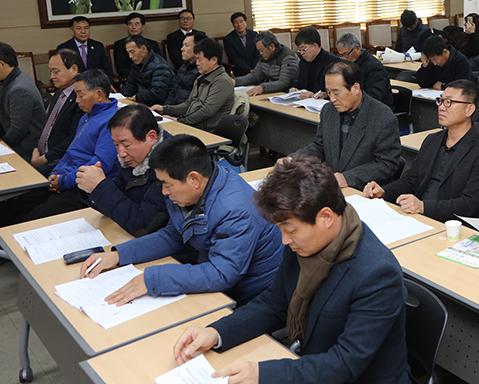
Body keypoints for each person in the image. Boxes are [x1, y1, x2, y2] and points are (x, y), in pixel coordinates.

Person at [170, 154, 410, 384]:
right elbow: (274, 303)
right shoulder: (305, 242)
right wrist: (216, 332)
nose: (284, 240)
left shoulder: (377, 274)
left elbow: (345, 363)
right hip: (315, 367)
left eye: (290, 230)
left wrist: (264, 375)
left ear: (326, 217)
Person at [80, 135, 282, 305]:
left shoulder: (236, 211)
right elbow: (172, 235)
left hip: (252, 294)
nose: (163, 191)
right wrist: (119, 255)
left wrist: (153, 279)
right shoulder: (190, 190)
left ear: (194, 179)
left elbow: (222, 275)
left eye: (167, 184)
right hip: (218, 273)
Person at [0, 69, 120, 270]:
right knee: (16, 199)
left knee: (33, 218)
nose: (77, 101)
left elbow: (98, 165)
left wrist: (63, 180)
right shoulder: (86, 116)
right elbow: (70, 152)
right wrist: (56, 173)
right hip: (65, 177)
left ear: (98, 94)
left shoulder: (113, 121)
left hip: (82, 188)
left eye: (80, 95)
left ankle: (1, 251)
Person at [364, 80, 479, 219]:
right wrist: (383, 191)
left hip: (451, 225)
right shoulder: (432, 140)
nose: (441, 107)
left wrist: (423, 207)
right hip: (419, 216)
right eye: (440, 101)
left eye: (449, 102)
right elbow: (410, 181)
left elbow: (469, 204)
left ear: (469, 109)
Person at [293, 59, 403, 190]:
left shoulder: (383, 117)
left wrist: (348, 178)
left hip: (366, 192)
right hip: (334, 188)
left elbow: (387, 163)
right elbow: (320, 146)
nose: (332, 98)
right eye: (328, 92)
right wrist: (295, 160)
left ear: (355, 88)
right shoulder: (328, 110)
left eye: (336, 92)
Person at [78, 104, 170, 237]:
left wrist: (101, 187)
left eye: (126, 145)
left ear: (151, 137)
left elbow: (144, 226)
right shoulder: (133, 161)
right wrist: (92, 187)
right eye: (116, 145)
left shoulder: (168, 167)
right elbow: (119, 200)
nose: (121, 153)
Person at [153, 37, 234, 133]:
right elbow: (188, 104)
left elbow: (207, 111)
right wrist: (164, 109)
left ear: (213, 60)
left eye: (200, 60)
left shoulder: (222, 81)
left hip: (209, 132)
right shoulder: (201, 77)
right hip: (193, 126)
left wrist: (179, 121)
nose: (197, 63)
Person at [31, 49, 86, 175]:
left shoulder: (81, 97)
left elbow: (73, 139)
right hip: (41, 153)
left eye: (56, 72)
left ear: (74, 69)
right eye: (50, 71)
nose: (52, 77)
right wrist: (35, 150)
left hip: (59, 160)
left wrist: (44, 159)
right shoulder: (59, 92)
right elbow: (47, 126)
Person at [336, 32, 393, 109]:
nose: (344, 58)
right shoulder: (348, 65)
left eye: (346, 54)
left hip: (378, 111)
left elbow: (374, 97)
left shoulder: (374, 67)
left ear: (357, 48)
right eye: (341, 55)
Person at [236, 30, 299, 97]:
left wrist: (262, 88)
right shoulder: (265, 56)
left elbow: (283, 83)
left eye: (262, 50)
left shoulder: (288, 57)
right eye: (259, 50)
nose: (260, 53)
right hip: (271, 93)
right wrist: (235, 81)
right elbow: (255, 76)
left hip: (286, 95)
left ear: (271, 46)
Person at [121, 35, 174, 105]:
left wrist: (137, 97)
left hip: (161, 105)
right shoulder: (136, 64)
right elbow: (130, 85)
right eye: (128, 53)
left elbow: (158, 94)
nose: (130, 56)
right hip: (143, 103)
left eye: (132, 52)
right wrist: (125, 96)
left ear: (143, 49)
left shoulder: (160, 66)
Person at [290, 27, 336, 99]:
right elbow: (300, 84)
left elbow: (336, 91)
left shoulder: (333, 62)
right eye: (299, 50)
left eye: (303, 49)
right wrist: (295, 89)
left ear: (315, 46)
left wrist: (314, 95)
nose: (301, 53)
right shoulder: (303, 62)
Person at [112, 12, 160, 79]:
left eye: (137, 24)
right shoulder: (120, 44)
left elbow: (159, 64)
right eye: (130, 24)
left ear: (143, 27)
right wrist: (139, 77)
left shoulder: (152, 44)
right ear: (127, 27)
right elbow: (121, 68)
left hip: (152, 78)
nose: (133, 27)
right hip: (132, 79)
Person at [164, 32, 205, 106]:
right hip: (173, 109)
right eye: (183, 45)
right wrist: (165, 109)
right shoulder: (184, 65)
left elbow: (196, 103)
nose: (182, 49)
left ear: (198, 48)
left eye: (186, 45)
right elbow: (173, 91)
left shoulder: (202, 70)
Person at [223, 12, 260, 77]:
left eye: (241, 21)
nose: (239, 24)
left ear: (245, 22)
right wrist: (249, 70)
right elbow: (234, 59)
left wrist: (254, 69)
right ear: (233, 25)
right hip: (240, 70)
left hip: (255, 68)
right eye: (236, 22)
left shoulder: (254, 35)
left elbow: (257, 54)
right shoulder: (228, 39)